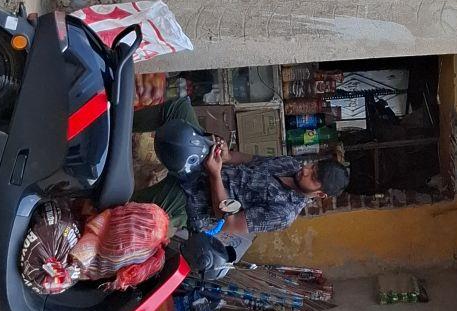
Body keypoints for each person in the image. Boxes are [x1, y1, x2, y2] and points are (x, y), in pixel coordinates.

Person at [133, 96, 349, 243]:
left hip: (193, 202)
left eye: (314, 177)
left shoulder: (284, 214)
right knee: (179, 108)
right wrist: (226, 155)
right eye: (313, 166)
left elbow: (227, 221)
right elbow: (250, 160)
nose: (306, 170)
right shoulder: (291, 165)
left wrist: (215, 175)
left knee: (134, 210)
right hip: (204, 164)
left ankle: (116, 196)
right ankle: (120, 122)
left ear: (320, 194)